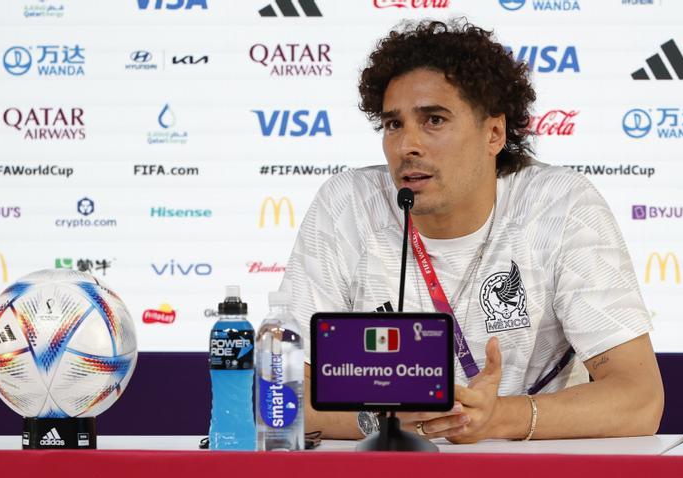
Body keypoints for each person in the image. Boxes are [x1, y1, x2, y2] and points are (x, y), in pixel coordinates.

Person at [280, 19, 663, 443]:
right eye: (393, 124)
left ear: (494, 133)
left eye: (434, 120)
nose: (408, 145)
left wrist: (499, 417)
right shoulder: (347, 204)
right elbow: (279, 398)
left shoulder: (560, 205)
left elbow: (639, 399)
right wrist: (384, 418)